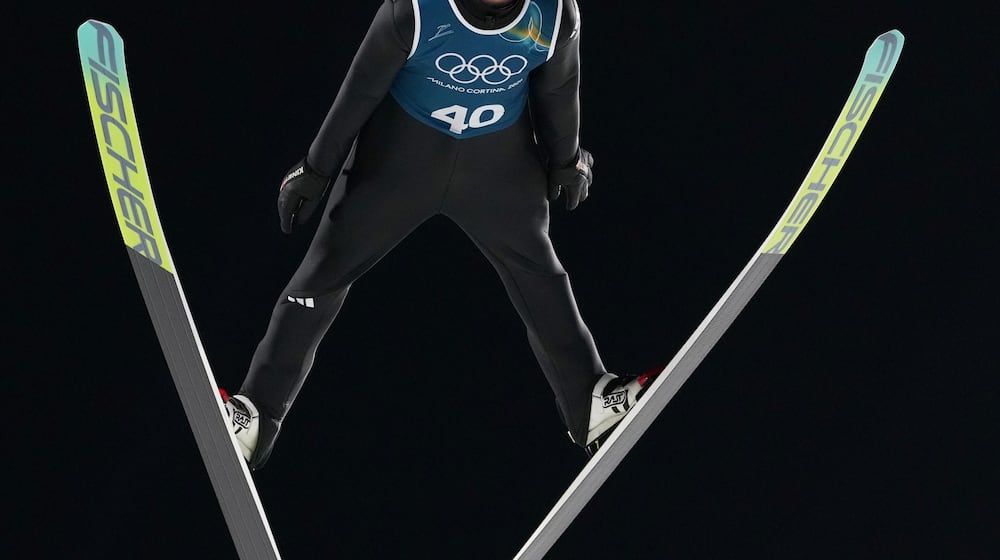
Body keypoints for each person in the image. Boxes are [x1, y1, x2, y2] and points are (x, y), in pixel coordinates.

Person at [221, 0, 657, 470]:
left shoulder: (554, 15)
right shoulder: (414, 10)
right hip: (400, 158)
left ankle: (591, 403)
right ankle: (258, 415)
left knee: (540, 275)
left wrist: (566, 159)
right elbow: (361, 89)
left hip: (497, 164)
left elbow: (559, 88)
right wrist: (317, 167)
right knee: (322, 274)